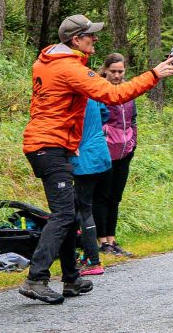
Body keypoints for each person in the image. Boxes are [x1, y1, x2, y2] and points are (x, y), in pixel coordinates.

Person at [20, 14, 173, 304]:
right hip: (48, 146)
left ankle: (70, 279)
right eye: (90, 35)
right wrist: (154, 75)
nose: (95, 39)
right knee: (65, 215)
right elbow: (114, 95)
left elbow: (59, 106)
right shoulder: (69, 68)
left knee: (70, 212)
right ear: (76, 40)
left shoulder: (47, 62)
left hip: (53, 145)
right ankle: (36, 278)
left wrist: (71, 140)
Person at [95, 53, 138, 257]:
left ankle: (112, 239)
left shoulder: (128, 91)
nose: (117, 75)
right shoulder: (99, 89)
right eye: (113, 71)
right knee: (101, 196)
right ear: (105, 70)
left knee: (115, 197)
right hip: (105, 151)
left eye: (120, 71)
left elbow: (133, 119)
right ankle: (101, 240)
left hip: (125, 151)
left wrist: (132, 141)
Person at [71, 98, 111, 276]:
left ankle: (93, 261)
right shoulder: (92, 92)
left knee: (84, 209)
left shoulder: (73, 97)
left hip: (84, 155)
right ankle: (86, 256)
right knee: (80, 205)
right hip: (99, 152)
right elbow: (105, 114)